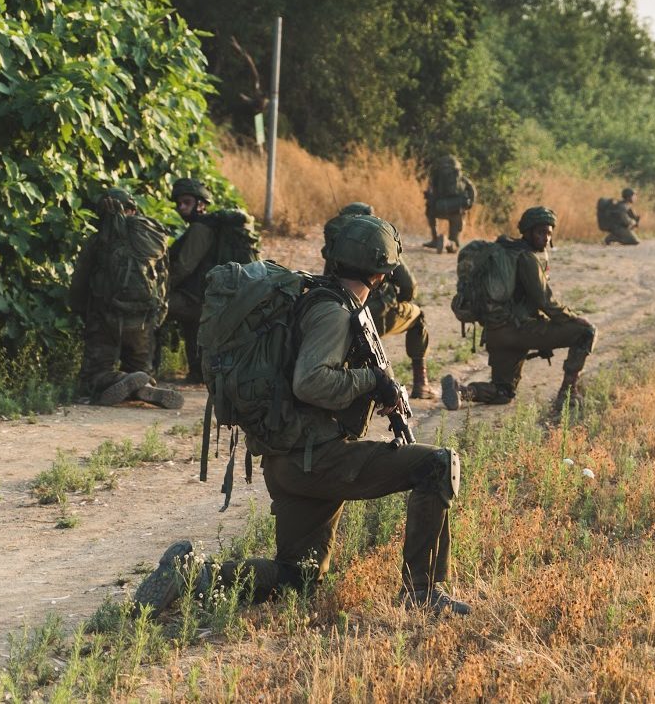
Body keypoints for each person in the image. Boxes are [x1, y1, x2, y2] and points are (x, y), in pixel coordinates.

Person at [133, 215, 470, 616]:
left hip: (292, 460)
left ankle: (191, 577)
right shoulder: (333, 312)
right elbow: (309, 382)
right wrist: (369, 381)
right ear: (382, 273)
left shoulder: (317, 296)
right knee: (437, 463)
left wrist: (373, 387)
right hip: (316, 458)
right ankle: (423, 593)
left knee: (298, 578)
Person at [441, 206, 597, 413]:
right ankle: (568, 394)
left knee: (502, 393)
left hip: (496, 334)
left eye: (549, 233)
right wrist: (574, 318)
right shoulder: (527, 258)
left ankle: (460, 390)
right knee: (586, 332)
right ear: (528, 232)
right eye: (541, 232)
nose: (546, 238)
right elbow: (545, 302)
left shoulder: (505, 251)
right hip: (519, 331)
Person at [69, 188, 183, 409]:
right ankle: (143, 385)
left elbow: (79, 284)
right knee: (140, 369)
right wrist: (157, 317)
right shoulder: (153, 239)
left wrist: (83, 312)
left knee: (93, 377)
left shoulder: (99, 241)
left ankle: (119, 380)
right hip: (143, 319)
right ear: (133, 209)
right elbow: (164, 281)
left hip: (105, 316)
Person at [323, 203, 435, 400]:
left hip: (342, 314)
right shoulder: (379, 242)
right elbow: (409, 285)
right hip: (379, 314)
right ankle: (421, 383)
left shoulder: (337, 246)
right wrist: (398, 302)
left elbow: (327, 282)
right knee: (418, 317)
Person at [166, 177, 216, 382]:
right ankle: (197, 372)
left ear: (201, 204)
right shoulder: (199, 227)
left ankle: (141, 367)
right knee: (192, 330)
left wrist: (161, 288)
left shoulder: (200, 229)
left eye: (186, 202)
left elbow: (184, 267)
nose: (181, 207)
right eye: (179, 203)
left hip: (197, 298)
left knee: (153, 307)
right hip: (198, 296)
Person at [423, 154, 474, 254]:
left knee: (429, 210)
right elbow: (472, 191)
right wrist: (468, 204)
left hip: (438, 209)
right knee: (455, 243)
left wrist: (431, 205)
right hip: (456, 211)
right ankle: (449, 242)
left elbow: (430, 193)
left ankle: (435, 238)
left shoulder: (436, 178)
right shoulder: (462, 179)